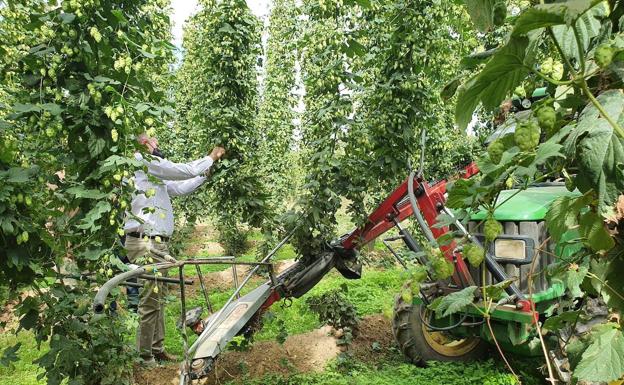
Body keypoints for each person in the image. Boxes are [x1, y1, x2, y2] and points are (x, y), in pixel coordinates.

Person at [123, 133, 225, 365]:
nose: (157, 144)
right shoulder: (142, 162)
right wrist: (211, 157)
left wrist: (204, 176)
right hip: (145, 242)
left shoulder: (149, 174)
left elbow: (177, 188)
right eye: (153, 141)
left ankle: (156, 348)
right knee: (150, 300)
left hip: (155, 242)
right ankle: (144, 356)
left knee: (157, 297)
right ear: (142, 143)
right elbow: (185, 170)